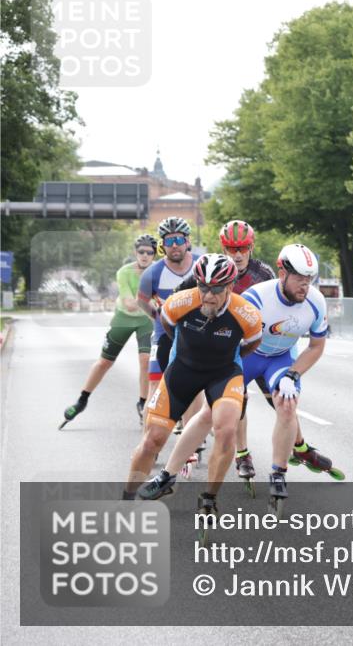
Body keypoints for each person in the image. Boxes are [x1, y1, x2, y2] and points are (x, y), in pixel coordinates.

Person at [142, 244, 333, 506]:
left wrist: (293, 374)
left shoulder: (316, 301)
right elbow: (229, 333)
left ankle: (278, 473)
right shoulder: (257, 297)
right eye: (299, 278)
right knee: (211, 413)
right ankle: (167, 475)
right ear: (282, 273)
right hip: (247, 355)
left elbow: (316, 346)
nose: (305, 285)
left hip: (281, 358)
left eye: (309, 279)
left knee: (287, 405)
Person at [125, 254, 262, 513]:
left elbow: (253, 343)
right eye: (203, 287)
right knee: (152, 440)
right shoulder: (180, 302)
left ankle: (209, 498)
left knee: (226, 432)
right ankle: (128, 498)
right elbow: (167, 326)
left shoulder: (246, 313)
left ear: (230, 287)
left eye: (217, 289)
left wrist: (227, 357)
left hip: (224, 373)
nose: (208, 295)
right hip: (184, 369)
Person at [167, 220, 276, 477]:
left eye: (243, 248)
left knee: (245, 400)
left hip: (244, 341)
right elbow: (179, 298)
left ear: (251, 247)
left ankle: (244, 452)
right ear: (223, 247)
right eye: (231, 248)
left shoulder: (263, 273)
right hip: (207, 339)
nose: (237, 254)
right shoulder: (209, 267)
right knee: (199, 391)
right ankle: (195, 448)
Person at [61, 234, 158, 429]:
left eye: (149, 253)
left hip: (147, 320)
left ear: (154, 255)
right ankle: (82, 400)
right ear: (135, 253)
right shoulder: (124, 272)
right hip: (124, 318)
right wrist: (151, 302)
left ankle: (142, 402)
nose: (145, 256)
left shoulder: (157, 272)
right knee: (104, 361)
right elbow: (130, 305)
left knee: (145, 360)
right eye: (141, 252)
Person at [136, 216, 203, 430]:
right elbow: (142, 301)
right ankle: (148, 442)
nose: (174, 246)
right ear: (162, 245)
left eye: (179, 240)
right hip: (165, 333)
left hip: (197, 334)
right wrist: (157, 316)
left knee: (196, 384)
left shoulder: (202, 264)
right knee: (156, 385)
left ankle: (191, 434)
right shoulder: (153, 273)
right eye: (169, 241)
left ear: (187, 241)